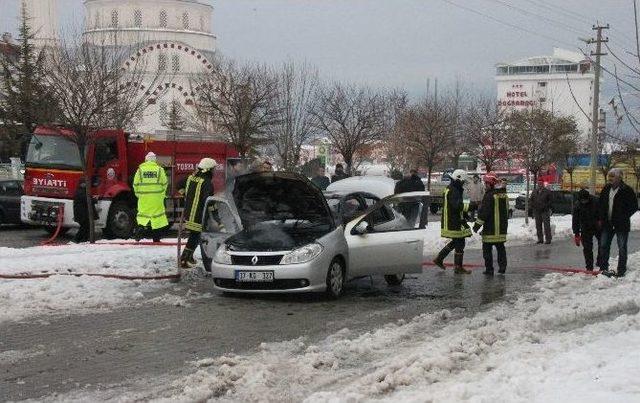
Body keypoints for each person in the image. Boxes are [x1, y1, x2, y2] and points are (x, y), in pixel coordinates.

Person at [598, 168, 638, 277]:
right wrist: (601, 218)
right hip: (607, 223)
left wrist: (623, 216)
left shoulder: (627, 190)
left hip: (621, 224)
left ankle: (621, 270)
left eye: (612, 176)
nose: (610, 179)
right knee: (603, 245)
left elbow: (634, 206)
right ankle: (603, 268)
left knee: (622, 247)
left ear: (619, 178)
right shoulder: (606, 188)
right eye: (609, 176)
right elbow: (601, 204)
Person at [433, 169, 473, 274]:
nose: (463, 183)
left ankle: (440, 259)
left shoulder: (452, 188)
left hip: (453, 219)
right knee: (460, 242)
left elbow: (455, 205)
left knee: (457, 241)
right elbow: (457, 205)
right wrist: (472, 206)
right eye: (463, 181)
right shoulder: (454, 190)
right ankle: (457, 267)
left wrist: (465, 215)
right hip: (453, 221)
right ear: (458, 179)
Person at [179, 158, 217, 269]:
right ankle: (184, 260)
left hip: (189, 213)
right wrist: (217, 219)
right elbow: (210, 203)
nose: (214, 171)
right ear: (208, 169)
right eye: (213, 169)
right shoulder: (206, 183)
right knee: (195, 237)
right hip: (199, 215)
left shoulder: (191, 178)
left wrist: (185, 194)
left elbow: (178, 185)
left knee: (194, 236)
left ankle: (187, 258)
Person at [473, 174, 508, 275]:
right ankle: (502, 268)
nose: (485, 185)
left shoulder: (489, 196)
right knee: (501, 249)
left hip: (490, 229)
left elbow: (484, 213)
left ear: (490, 184)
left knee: (487, 250)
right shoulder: (503, 195)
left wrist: (476, 226)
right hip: (501, 229)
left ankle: (489, 269)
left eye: (486, 183)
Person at [132, 152, 168, 242]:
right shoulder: (160, 170)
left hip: (144, 198)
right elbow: (165, 183)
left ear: (146, 160)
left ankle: (140, 229)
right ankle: (156, 238)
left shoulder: (140, 170)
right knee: (157, 218)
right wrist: (162, 194)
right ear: (154, 160)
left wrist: (138, 194)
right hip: (157, 199)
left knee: (142, 216)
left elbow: (135, 184)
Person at [572, 188, 601, 271]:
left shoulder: (596, 201)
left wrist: (600, 220)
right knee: (587, 248)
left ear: (588, 198)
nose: (584, 202)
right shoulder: (577, 205)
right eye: (582, 201)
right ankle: (589, 267)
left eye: (586, 200)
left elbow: (602, 212)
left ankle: (600, 261)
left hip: (597, 226)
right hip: (585, 227)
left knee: (602, 245)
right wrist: (577, 234)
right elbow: (575, 220)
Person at [530, 180, 552, 244]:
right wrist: (533, 207)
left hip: (545, 211)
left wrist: (546, 206)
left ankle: (548, 239)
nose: (539, 185)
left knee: (546, 226)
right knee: (538, 226)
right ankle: (540, 239)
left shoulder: (547, 191)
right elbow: (531, 200)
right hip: (537, 211)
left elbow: (550, 201)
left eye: (541, 183)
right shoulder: (534, 191)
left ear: (543, 184)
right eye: (538, 183)